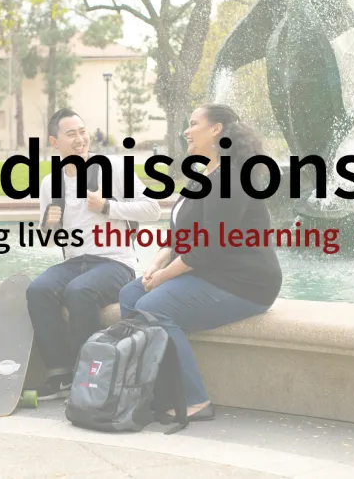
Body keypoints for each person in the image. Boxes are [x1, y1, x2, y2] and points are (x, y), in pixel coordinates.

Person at [118, 104, 283, 421]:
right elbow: (181, 232)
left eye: (193, 124)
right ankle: (148, 389)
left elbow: (207, 248)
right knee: (130, 296)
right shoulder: (203, 174)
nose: (186, 131)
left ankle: (195, 399)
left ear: (216, 129)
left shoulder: (232, 179)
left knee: (153, 307)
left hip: (244, 283)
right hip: (209, 274)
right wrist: (156, 263)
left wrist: (165, 277)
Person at [27, 108, 161, 400]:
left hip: (115, 262)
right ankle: (59, 373)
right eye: (71, 134)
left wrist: (108, 207)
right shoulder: (51, 184)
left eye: (82, 131)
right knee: (37, 290)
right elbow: (51, 242)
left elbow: (153, 209)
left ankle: (87, 374)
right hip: (74, 262)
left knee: (79, 292)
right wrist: (49, 226)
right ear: (54, 141)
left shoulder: (112, 169)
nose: (80, 139)